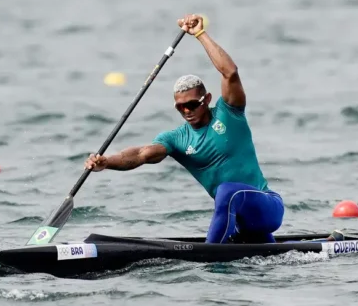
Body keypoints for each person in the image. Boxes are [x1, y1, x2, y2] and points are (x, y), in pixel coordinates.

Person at [84, 14, 285, 244]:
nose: (187, 111)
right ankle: (325, 243)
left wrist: (200, 34)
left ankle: (210, 257)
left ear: (206, 99)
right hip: (241, 222)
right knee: (256, 238)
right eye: (180, 107)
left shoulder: (229, 113)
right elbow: (141, 154)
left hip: (268, 208)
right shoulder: (178, 138)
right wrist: (106, 162)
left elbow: (230, 72)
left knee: (227, 192)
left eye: (192, 104)